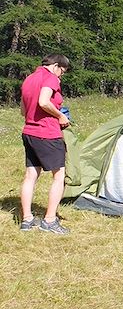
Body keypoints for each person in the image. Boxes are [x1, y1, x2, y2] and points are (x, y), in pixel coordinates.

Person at [19, 54, 72, 234]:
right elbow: (43, 101)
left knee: (31, 175)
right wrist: (60, 115)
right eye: (62, 72)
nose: (61, 76)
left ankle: (26, 219)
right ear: (56, 66)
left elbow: (23, 110)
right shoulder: (50, 78)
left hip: (29, 132)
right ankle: (49, 220)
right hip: (47, 134)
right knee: (59, 176)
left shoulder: (29, 79)